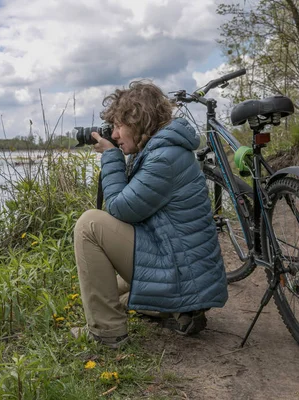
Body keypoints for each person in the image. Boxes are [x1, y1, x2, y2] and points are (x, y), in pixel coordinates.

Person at [71, 80, 228, 349]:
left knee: (89, 224)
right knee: (116, 292)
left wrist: (111, 158)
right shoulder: (162, 150)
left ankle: (107, 333)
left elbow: (120, 208)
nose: (115, 135)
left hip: (181, 272)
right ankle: (181, 311)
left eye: (118, 126)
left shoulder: (164, 158)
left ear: (138, 121)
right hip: (182, 266)